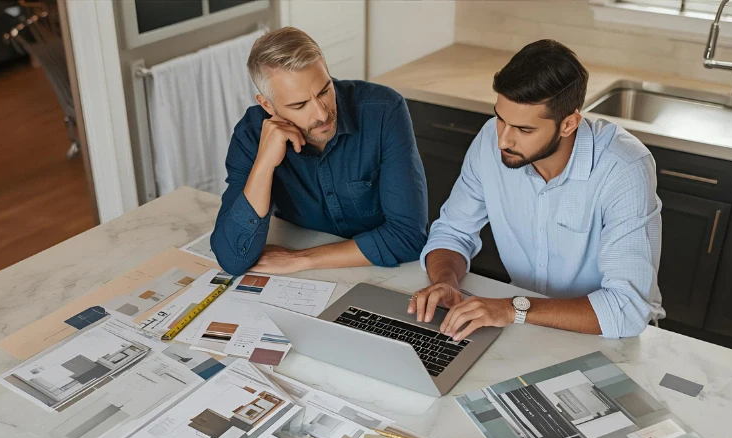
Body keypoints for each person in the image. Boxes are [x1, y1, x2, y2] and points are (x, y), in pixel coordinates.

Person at [409, 39, 663, 340]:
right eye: (501, 119)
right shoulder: (491, 140)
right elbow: (453, 232)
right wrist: (445, 281)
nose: (503, 140)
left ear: (569, 124)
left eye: (524, 129)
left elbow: (627, 308)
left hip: (608, 337)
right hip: (521, 323)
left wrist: (513, 309)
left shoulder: (624, 167)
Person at [210, 27, 428, 276]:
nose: (322, 114)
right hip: (310, 276)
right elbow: (233, 258)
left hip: (386, 272)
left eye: (325, 90)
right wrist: (264, 164)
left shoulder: (383, 111)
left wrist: (301, 259)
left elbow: (409, 237)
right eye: (300, 105)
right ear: (267, 105)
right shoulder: (251, 133)